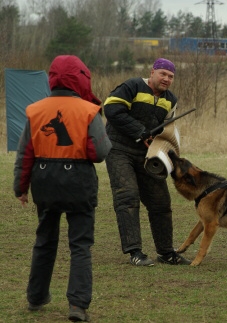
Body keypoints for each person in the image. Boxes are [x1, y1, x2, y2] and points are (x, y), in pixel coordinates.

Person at [13, 55, 112, 321]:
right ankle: (78, 306)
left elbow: (25, 154)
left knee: (44, 241)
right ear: (81, 78)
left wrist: (20, 188)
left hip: (45, 184)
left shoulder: (35, 110)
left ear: (52, 78)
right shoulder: (88, 110)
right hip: (79, 184)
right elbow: (99, 152)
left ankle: (36, 297)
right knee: (80, 245)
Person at [103, 57, 191, 266]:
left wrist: (166, 151)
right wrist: (140, 131)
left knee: (161, 202)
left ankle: (166, 252)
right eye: (163, 74)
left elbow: (167, 130)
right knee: (128, 196)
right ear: (152, 72)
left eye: (171, 76)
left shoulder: (171, 100)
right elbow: (111, 110)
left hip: (147, 156)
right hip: (118, 150)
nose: (167, 79)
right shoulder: (132, 86)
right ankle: (135, 252)